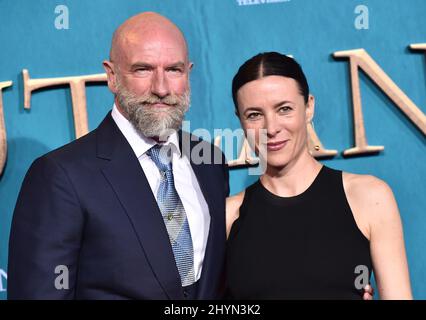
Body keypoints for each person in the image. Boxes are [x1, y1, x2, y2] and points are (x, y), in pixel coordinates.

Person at [8, 12, 229, 299]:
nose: (161, 88)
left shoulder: (209, 161)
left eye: (174, 70)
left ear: (188, 72)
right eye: (143, 70)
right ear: (112, 76)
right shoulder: (61, 176)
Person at [225, 52, 412, 299]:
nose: (271, 128)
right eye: (254, 115)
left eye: (284, 109)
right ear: (240, 120)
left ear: (309, 106)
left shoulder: (368, 197)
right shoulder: (228, 216)